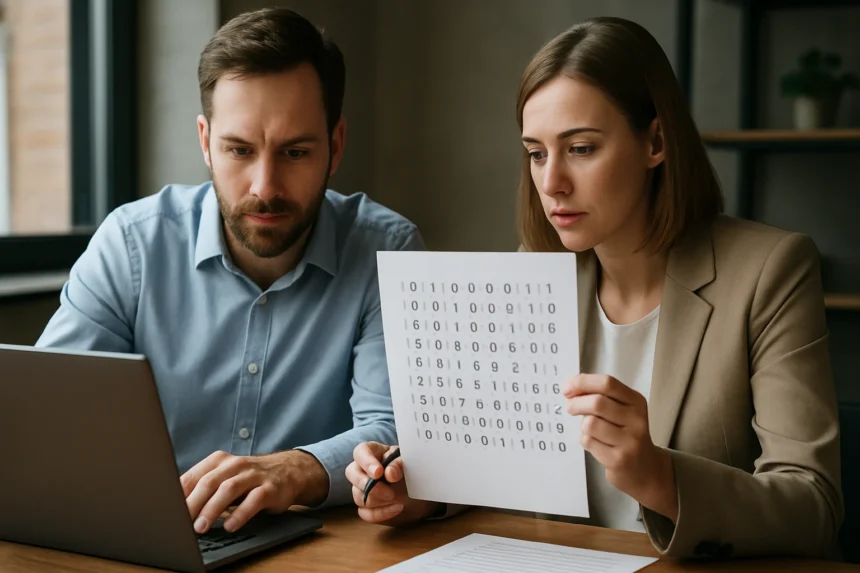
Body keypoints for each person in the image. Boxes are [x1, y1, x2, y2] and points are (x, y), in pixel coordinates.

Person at [346, 16, 843, 559]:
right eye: (537, 153)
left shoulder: (772, 270)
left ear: (655, 141)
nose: (552, 181)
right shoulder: (533, 270)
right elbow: (504, 466)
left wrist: (660, 476)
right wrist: (416, 489)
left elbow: (813, 505)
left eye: (580, 148)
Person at [37, 7, 423, 535]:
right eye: (239, 150)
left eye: (295, 151)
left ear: (334, 146)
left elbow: (397, 431)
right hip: (149, 539)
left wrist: (299, 468)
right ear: (205, 141)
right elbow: (48, 411)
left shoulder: (389, 251)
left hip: (315, 554)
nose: (265, 185)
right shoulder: (130, 244)